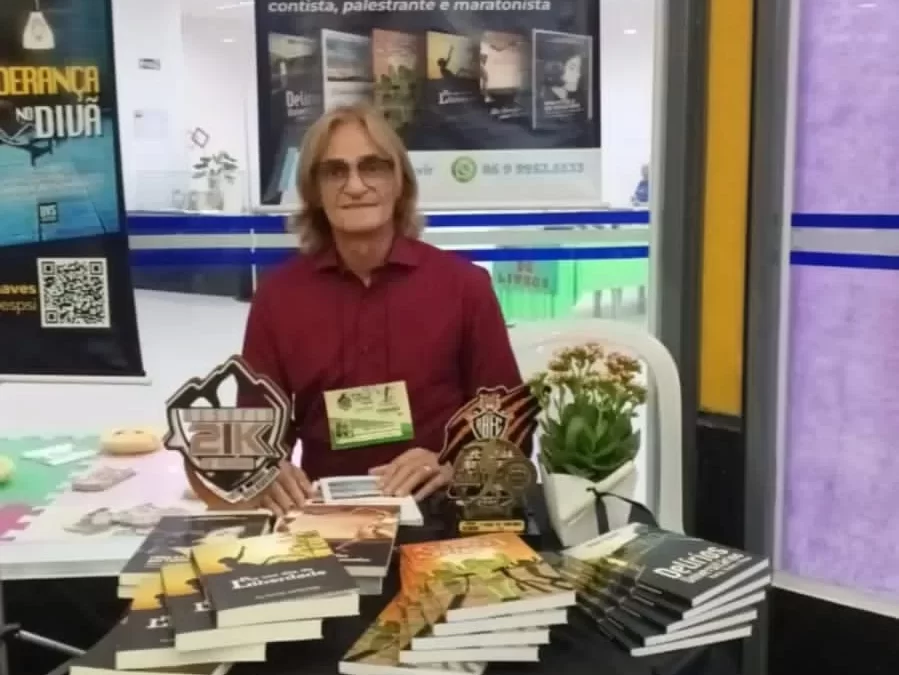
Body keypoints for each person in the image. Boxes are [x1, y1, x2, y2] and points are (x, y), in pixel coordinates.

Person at [187, 104, 522, 515]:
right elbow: (255, 435)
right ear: (315, 191)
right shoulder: (278, 297)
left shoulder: (465, 286)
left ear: (399, 182)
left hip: (442, 516)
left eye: (372, 167)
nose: (355, 186)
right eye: (335, 172)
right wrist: (265, 469)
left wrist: (453, 462)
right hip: (323, 522)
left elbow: (510, 423)